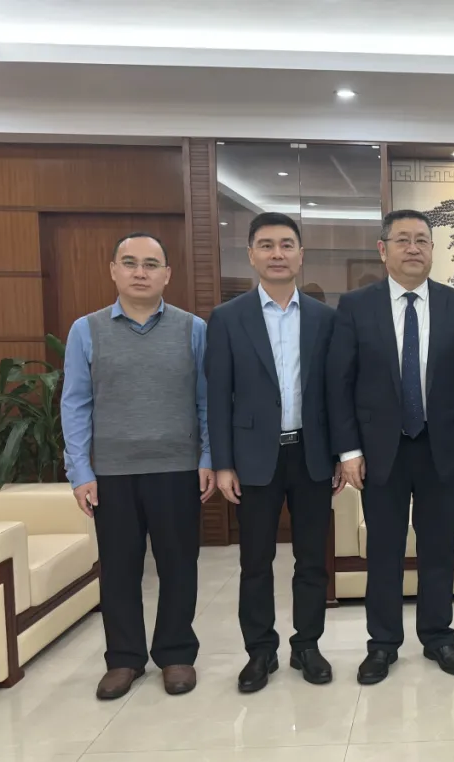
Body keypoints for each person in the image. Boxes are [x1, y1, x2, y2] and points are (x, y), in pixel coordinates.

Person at [329, 209, 454, 685]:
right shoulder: (356, 306)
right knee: (384, 550)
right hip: (381, 451)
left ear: (433, 250)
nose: (413, 248)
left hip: (440, 448)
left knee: (439, 548)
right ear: (383, 250)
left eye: (422, 239)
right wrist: (348, 451)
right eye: (402, 239)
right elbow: (340, 384)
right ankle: (382, 644)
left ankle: (438, 637)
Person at [62, 232, 215, 700]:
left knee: (178, 567)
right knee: (119, 570)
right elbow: (75, 404)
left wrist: (208, 457)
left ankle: (175, 653)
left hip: (177, 469)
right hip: (112, 474)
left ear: (167, 274)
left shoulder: (193, 329)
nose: (140, 272)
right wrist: (80, 472)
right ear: (113, 271)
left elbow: (206, 401)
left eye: (151, 264)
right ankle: (124, 659)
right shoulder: (86, 330)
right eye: (130, 263)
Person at [206, 212, 337, 693]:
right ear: (251, 255)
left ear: (301, 255)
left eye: (286, 245)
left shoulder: (325, 318)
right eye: (266, 245)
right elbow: (217, 396)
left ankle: (307, 646)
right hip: (253, 459)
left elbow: (336, 393)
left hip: (312, 454)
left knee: (312, 560)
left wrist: (341, 454)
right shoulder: (227, 318)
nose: (277, 254)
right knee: (255, 561)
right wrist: (222, 463)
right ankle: (260, 651)